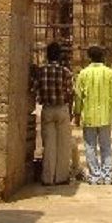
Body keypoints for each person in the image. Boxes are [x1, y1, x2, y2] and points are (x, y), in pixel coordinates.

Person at [74, 45, 112, 185]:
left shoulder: (83, 74)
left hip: (89, 116)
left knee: (90, 147)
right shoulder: (110, 73)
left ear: (89, 57)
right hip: (105, 116)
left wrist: (76, 113)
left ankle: (95, 175)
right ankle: (108, 175)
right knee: (106, 146)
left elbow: (78, 96)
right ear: (102, 57)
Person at [33, 42, 74, 186]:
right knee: (63, 144)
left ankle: (48, 177)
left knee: (48, 144)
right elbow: (70, 92)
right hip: (62, 108)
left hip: (47, 108)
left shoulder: (41, 71)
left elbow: (35, 89)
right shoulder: (66, 72)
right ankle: (61, 177)